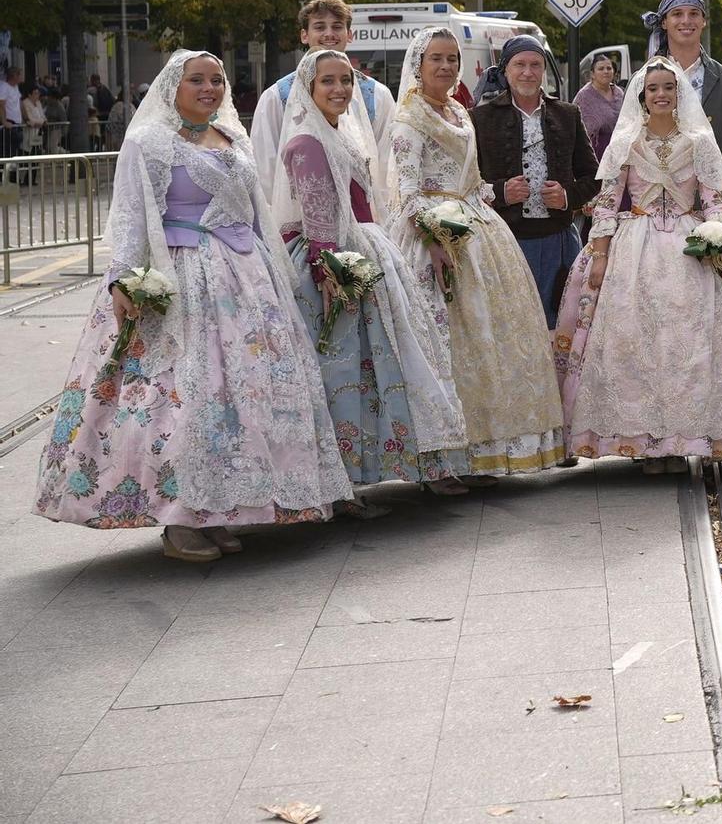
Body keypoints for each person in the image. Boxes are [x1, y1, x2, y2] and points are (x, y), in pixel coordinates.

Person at [33, 51, 352, 561]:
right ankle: (179, 516)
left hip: (244, 279)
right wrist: (123, 281)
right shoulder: (149, 143)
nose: (209, 88)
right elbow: (132, 217)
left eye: (217, 80)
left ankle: (221, 508)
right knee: (188, 395)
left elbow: (254, 214)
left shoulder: (233, 137)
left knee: (242, 397)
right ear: (170, 88)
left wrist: (277, 274)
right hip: (182, 277)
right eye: (196, 80)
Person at [274, 50, 468, 505]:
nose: (340, 89)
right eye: (329, 82)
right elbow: (318, 219)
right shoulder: (306, 141)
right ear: (309, 87)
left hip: (368, 247)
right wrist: (330, 273)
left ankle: (413, 459)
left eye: (346, 80)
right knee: (343, 367)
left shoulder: (345, 132)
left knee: (401, 357)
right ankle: (341, 482)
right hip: (335, 261)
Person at [555, 58, 722, 469]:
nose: (662, 94)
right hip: (635, 246)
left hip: (690, 250)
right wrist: (598, 255)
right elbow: (607, 204)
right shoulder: (625, 143)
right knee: (637, 343)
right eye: (653, 88)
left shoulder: (700, 142)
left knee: (691, 345)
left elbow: (712, 202)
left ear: (680, 93)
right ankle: (645, 441)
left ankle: (687, 437)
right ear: (642, 95)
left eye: (669, 87)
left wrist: (719, 238)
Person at [382, 29, 567, 478]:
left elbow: (471, 183)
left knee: (491, 340)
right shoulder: (409, 119)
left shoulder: (459, 112)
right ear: (418, 65)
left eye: (452, 59)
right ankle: (444, 461)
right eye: (436, 59)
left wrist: (493, 193)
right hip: (431, 237)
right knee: (444, 345)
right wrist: (433, 241)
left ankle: (485, 449)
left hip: (476, 227)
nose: (445, 67)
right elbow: (406, 194)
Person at [471, 36, 597, 328]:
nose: (528, 72)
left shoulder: (568, 114)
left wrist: (567, 196)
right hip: (506, 241)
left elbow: (594, 177)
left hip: (559, 242)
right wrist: (501, 192)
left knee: (560, 323)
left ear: (544, 71)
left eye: (535, 65)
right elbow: (467, 182)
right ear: (505, 70)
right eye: (520, 64)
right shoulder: (480, 118)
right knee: (512, 327)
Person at [250, 0, 391, 196]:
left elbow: (384, 162)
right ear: (304, 35)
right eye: (319, 27)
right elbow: (266, 167)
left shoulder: (377, 96)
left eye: (337, 26)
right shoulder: (276, 97)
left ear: (349, 35)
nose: (329, 34)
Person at [642, 0, 722, 193]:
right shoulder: (642, 80)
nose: (686, 20)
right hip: (652, 208)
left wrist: (708, 196)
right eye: (677, 14)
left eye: (694, 13)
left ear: (704, 21)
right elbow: (625, 146)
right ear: (664, 23)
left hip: (712, 211)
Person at [576, 53, 625, 162]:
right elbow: (575, 129)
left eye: (609, 68)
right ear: (592, 74)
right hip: (593, 155)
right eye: (601, 69)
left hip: (619, 153)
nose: (606, 71)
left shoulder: (619, 93)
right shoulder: (584, 96)